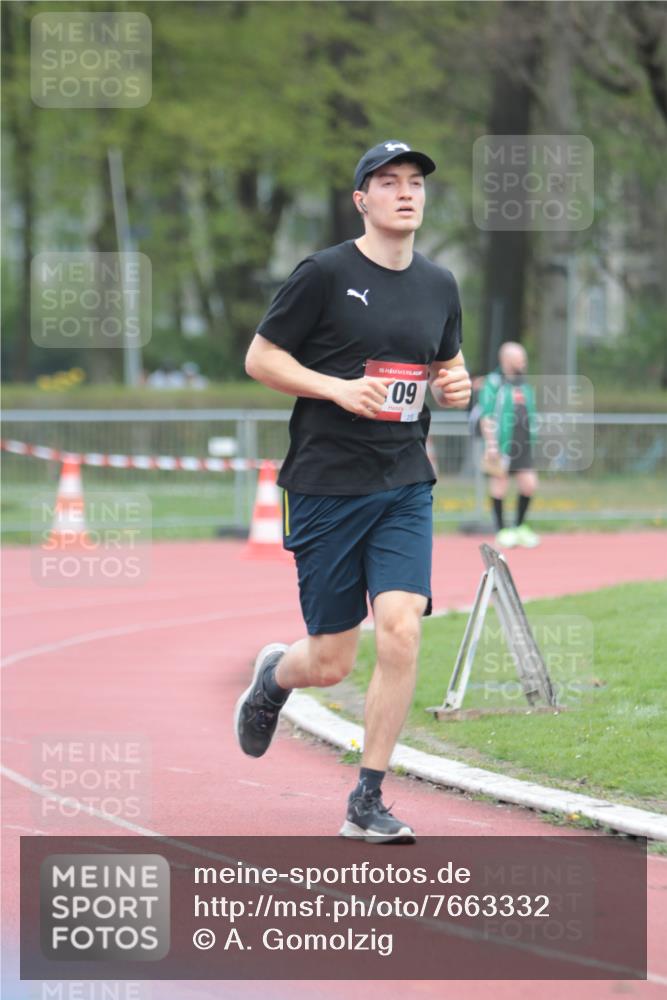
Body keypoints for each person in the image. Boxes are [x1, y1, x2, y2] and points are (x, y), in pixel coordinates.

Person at [235, 140, 471, 843]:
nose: (405, 193)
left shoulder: (439, 284)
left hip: (403, 481)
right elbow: (260, 357)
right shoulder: (324, 274)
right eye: (388, 182)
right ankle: (276, 676)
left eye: (415, 184)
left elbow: (446, 365)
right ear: (360, 199)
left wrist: (456, 385)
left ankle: (366, 798)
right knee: (332, 660)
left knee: (400, 630)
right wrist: (335, 386)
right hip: (327, 484)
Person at [478, 342, 540, 548]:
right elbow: (486, 415)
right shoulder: (494, 383)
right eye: (519, 357)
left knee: (529, 484)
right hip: (502, 444)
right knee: (500, 484)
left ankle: (520, 526)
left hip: (523, 443)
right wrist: (492, 444)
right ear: (506, 359)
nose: (524, 361)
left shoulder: (524, 384)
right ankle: (502, 530)